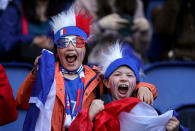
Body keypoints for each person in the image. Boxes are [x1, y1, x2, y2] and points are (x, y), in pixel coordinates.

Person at [16, 5, 157, 130]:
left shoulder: (95, 77)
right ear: (57, 51)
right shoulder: (47, 74)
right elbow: (22, 102)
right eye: (64, 42)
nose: (71, 47)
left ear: (85, 49)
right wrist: (37, 73)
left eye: (78, 42)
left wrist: (143, 87)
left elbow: (121, 83)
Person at [69, 42, 185, 131]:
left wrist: (176, 129)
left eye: (129, 75)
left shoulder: (148, 111)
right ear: (107, 83)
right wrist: (89, 116)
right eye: (118, 74)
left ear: (136, 84)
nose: (124, 78)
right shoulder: (96, 109)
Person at [0, 0, 73, 64]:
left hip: (52, 69)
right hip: (20, 67)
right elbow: (4, 45)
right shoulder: (15, 8)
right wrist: (32, 39)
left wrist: (52, 44)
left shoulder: (66, 10)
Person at [76, 0, 152, 59]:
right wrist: (100, 26)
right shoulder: (84, 2)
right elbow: (77, 44)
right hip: (97, 61)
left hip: (129, 60)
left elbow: (141, 49)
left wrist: (144, 32)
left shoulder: (136, 3)